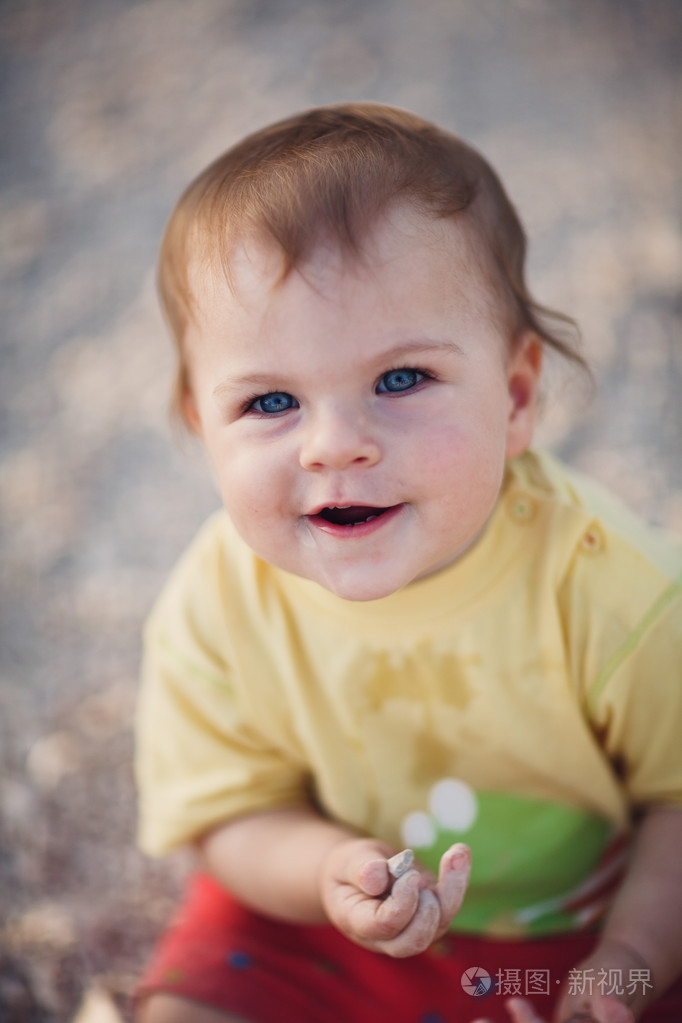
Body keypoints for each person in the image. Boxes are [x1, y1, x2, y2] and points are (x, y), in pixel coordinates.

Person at [133, 103, 682, 1023]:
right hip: (325, 918)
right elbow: (230, 815)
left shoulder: (607, 583)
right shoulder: (218, 600)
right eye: (270, 400)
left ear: (514, 396)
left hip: (587, 923)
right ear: (202, 425)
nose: (335, 446)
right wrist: (328, 872)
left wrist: (632, 956)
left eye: (400, 380)